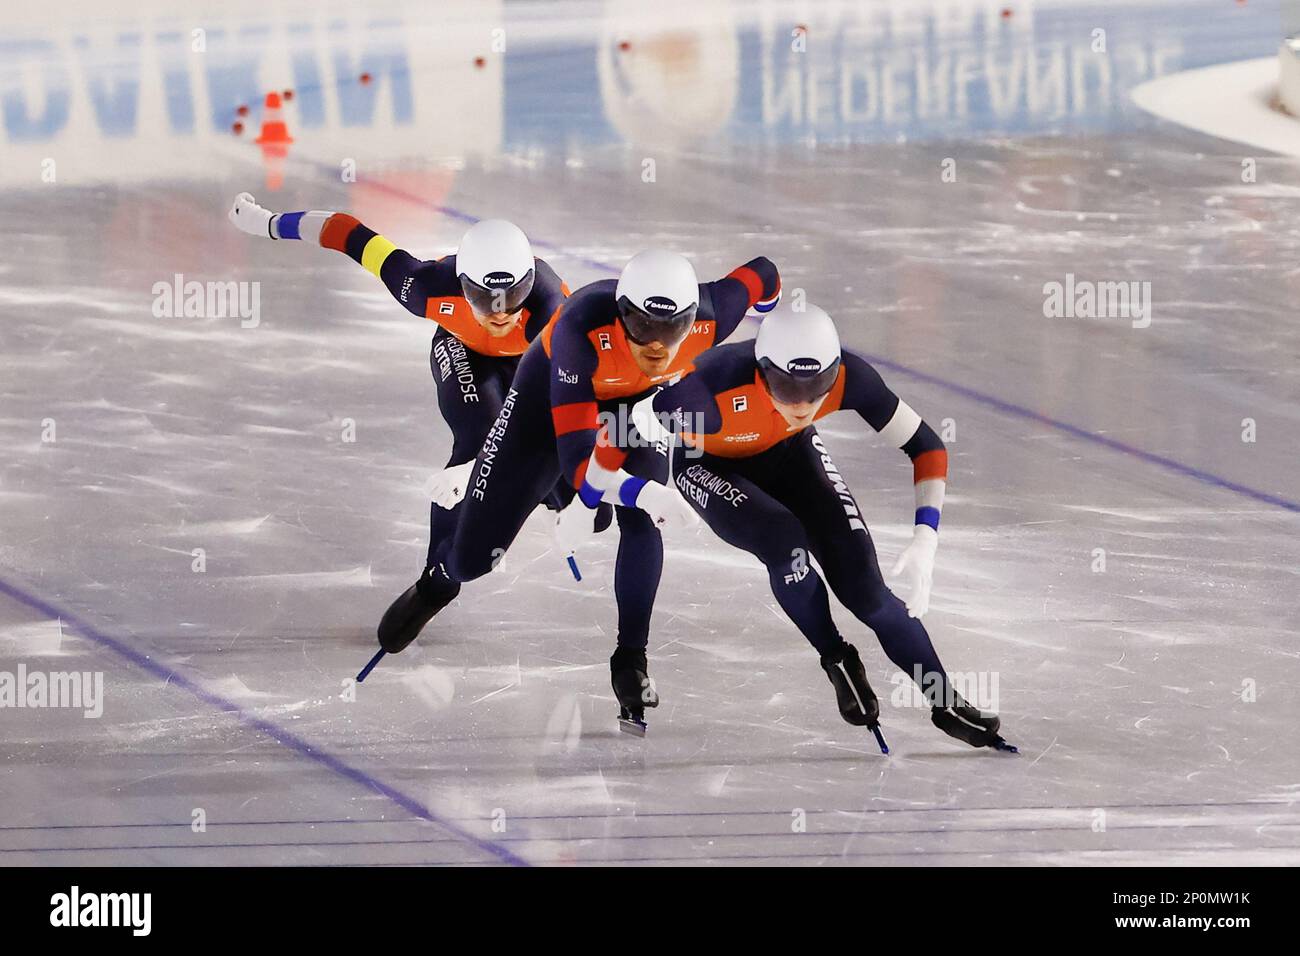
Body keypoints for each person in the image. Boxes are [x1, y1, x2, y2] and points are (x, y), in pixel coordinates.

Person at [578, 301, 1014, 750]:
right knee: (785, 544)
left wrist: (927, 538)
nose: (803, 403)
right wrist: (594, 502)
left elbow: (927, 446)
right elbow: (614, 436)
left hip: (792, 456)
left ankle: (944, 699)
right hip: (709, 465)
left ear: (835, 371)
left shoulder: (852, 378)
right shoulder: (703, 394)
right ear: (761, 371)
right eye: (786, 386)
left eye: (818, 386)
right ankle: (837, 657)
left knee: (867, 589)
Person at [377, 249, 780, 731]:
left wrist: (771, 315)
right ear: (620, 315)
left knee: (639, 520)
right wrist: (646, 493)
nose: (656, 347)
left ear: (693, 320)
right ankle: (437, 581)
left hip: (635, 408)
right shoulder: (578, 327)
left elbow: (763, 274)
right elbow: (577, 462)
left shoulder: (715, 314)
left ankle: (631, 657)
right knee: (472, 561)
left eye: (671, 332)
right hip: (545, 407)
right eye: (642, 329)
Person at [227, 194, 597, 582]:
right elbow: (346, 233)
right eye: (483, 299)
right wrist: (268, 223)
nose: (500, 313)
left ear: (531, 286)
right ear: (460, 286)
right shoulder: (423, 285)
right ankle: (438, 573)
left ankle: (544, 491)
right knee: (478, 438)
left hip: (533, 358)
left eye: (513, 298)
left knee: (565, 473)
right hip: (464, 349)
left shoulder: (553, 312)